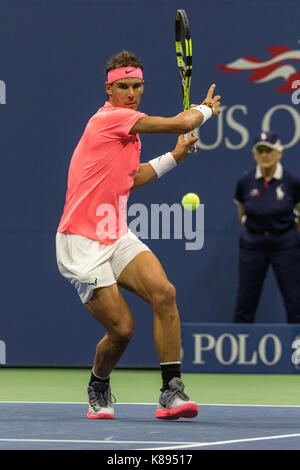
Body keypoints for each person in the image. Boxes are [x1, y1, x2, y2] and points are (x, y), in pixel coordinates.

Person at [56, 50, 221, 420]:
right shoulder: (111, 119)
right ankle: (99, 385)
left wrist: (175, 158)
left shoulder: (127, 133)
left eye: (136, 86)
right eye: (123, 87)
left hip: (115, 232)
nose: (131, 92)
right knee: (122, 329)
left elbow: (132, 179)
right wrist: (205, 110)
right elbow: (182, 122)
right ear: (109, 91)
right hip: (81, 242)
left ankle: (171, 390)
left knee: (164, 293)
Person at [233, 131, 300, 323]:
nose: (265, 155)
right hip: (254, 243)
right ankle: (241, 348)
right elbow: (242, 211)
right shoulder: (245, 182)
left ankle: (298, 349)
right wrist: (254, 230)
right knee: (245, 302)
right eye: (260, 151)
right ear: (255, 155)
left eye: (269, 150)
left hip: (285, 243)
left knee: (295, 302)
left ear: (279, 153)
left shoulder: (292, 181)